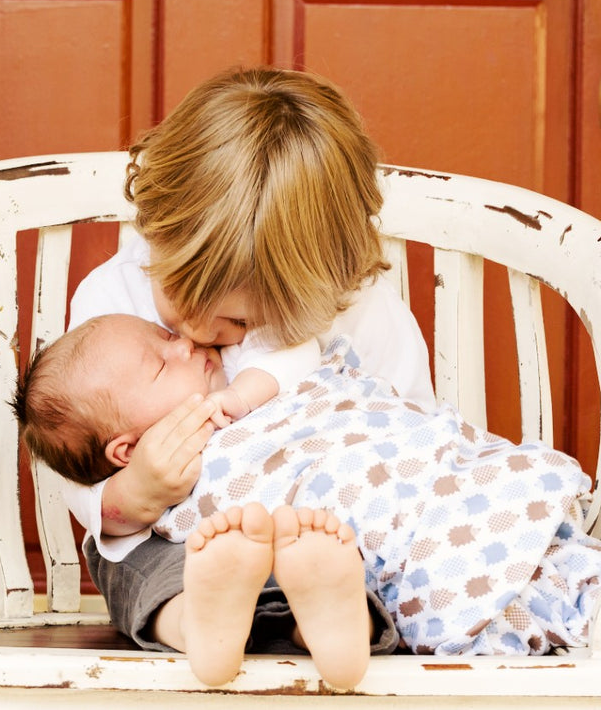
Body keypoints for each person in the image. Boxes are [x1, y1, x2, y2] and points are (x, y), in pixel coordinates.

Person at [41, 66, 436, 688]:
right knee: (133, 562)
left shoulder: (358, 307)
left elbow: (414, 430)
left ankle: (328, 622)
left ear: (316, 285)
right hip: (193, 543)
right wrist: (135, 493)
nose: (195, 331)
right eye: (176, 296)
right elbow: (81, 462)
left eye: (235, 319)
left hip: (329, 531)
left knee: (357, 565)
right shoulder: (112, 296)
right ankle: (198, 621)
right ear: (156, 227)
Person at [16, 314, 601, 665]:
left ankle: (327, 614)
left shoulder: (250, 361)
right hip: (311, 541)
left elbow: (314, 370)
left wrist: (244, 395)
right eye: (160, 364)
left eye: (165, 334)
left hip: (427, 490)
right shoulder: (115, 316)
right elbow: (106, 522)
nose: (184, 344)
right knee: (211, 550)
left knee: (324, 537)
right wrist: (142, 485)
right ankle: (307, 615)